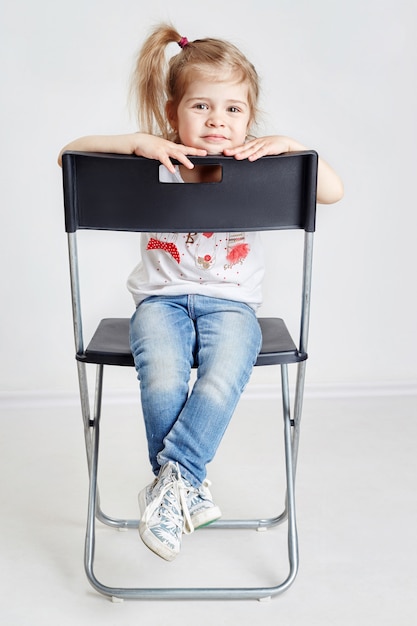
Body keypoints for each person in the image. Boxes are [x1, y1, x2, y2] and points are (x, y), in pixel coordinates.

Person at [58, 24, 343, 562]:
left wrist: (299, 150)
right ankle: (186, 486)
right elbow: (69, 157)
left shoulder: (258, 169)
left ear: (249, 120)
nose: (217, 120)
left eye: (234, 110)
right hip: (159, 306)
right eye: (202, 106)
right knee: (162, 375)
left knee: (219, 379)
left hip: (233, 309)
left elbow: (332, 190)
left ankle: (173, 482)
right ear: (173, 113)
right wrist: (137, 143)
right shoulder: (155, 163)